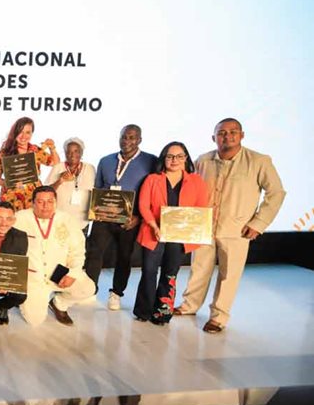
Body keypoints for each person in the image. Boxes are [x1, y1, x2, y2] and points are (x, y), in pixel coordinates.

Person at [176, 118, 285, 333]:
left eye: (233, 132)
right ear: (213, 137)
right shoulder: (202, 160)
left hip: (237, 229)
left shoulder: (259, 161)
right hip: (204, 227)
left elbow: (276, 193)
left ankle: (219, 317)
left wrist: (259, 223)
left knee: (229, 275)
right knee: (198, 269)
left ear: (242, 135)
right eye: (222, 133)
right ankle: (189, 306)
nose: (228, 136)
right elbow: (189, 188)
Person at [133, 142, 208, 325]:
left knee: (170, 273)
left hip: (180, 235)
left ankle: (162, 312)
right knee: (149, 271)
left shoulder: (196, 181)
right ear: (164, 158)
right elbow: (143, 205)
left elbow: (201, 208)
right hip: (153, 232)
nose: (174, 160)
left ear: (186, 158)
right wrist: (154, 226)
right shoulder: (152, 179)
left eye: (179, 156)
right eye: (170, 156)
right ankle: (144, 311)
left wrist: (190, 228)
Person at [83, 124, 157, 311]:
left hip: (130, 220)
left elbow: (153, 194)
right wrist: (96, 211)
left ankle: (116, 293)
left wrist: (139, 218)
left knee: (124, 256)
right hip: (104, 217)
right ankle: (89, 290)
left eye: (132, 137)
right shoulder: (106, 160)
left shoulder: (151, 161)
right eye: (124, 137)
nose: (127, 141)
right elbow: (98, 188)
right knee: (94, 252)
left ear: (139, 140)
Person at [14, 186, 95, 326]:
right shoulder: (20, 218)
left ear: (56, 203)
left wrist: (72, 274)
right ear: (32, 203)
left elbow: (77, 251)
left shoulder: (67, 220)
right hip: (33, 277)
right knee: (35, 320)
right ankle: (26, 297)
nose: (45, 206)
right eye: (40, 202)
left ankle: (59, 304)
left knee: (87, 288)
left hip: (58, 273)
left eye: (50, 202)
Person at [0, 116, 60, 211]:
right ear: (15, 132)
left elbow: (56, 163)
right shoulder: (4, 153)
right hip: (12, 198)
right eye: (21, 132)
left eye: (28, 132)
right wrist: (10, 183)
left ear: (32, 133)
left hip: (34, 197)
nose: (24, 136)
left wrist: (52, 148)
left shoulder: (35, 150)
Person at [44, 137, 96, 234]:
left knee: (80, 243)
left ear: (81, 153)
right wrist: (60, 180)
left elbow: (95, 192)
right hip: (60, 218)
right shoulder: (58, 167)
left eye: (76, 151)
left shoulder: (90, 168)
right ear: (65, 153)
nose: (72, 155)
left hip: (82, 220)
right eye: (69, 152)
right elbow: (46, 191)